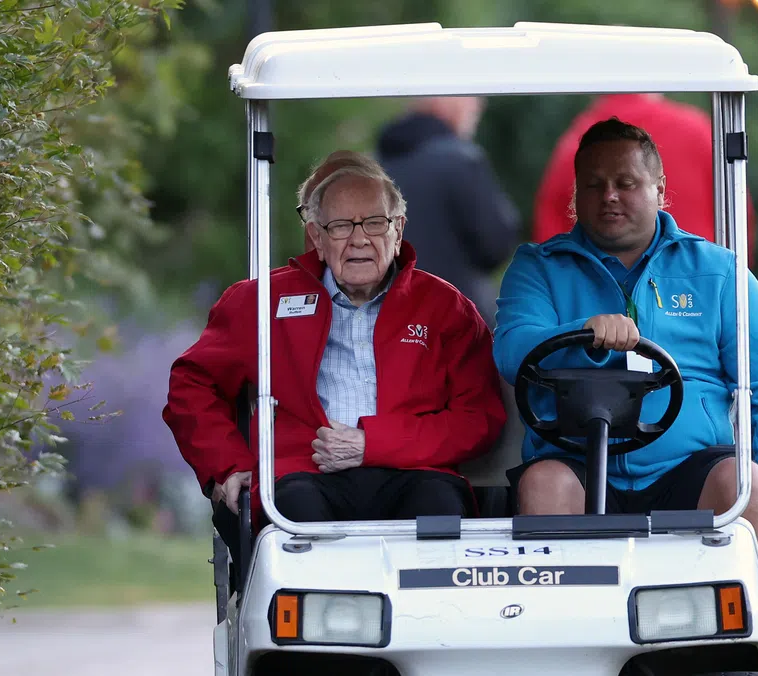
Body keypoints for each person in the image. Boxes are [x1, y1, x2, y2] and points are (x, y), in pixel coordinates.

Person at [496, 118, 758, 580]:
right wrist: (583, 329)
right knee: (543, 483)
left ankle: (744, 638)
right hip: (576, 461)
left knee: (745, 483)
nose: (609, 196)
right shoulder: (538, 267)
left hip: (688, 467)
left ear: (659, 189)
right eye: (594, 185)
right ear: (576, 194)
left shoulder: (720, 273)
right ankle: (563, 638)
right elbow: (512, 351)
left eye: (625, 183)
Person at [164, 162, 506, 524]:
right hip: (301, 475)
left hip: (416, 472)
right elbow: (191, 384)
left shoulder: (445, 307)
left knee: (437, 509)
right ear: (318, 238)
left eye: (375, 223)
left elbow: (478, 418)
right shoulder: (262, 300)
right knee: (293, 512)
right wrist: (228, 465)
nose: (359, 240)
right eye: (341, 226)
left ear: (399, 230)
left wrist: (372, 445)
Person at [532, 93, 754, 258]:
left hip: (597, 298)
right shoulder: (698, 129)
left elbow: (549, 230)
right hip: (700, 293)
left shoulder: (577, 141)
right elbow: (739, 215)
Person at [376, 95, 520, 325]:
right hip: (455, 325)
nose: (478, 106)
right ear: (446, 101)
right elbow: (496, 245)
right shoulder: (461, 160)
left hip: (390, 322)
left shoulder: (375, 167)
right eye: (472, 97)